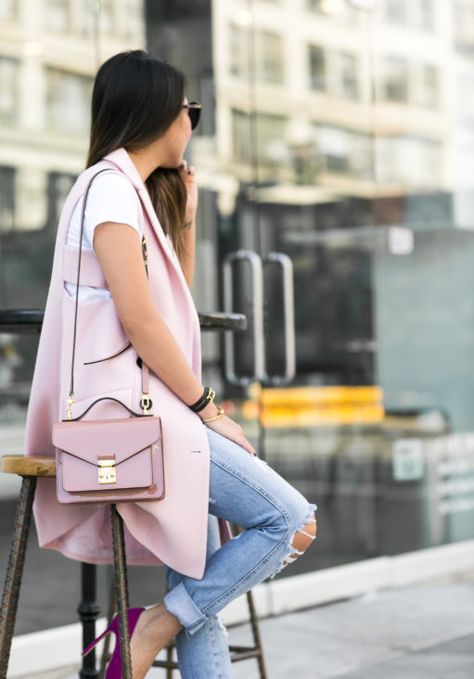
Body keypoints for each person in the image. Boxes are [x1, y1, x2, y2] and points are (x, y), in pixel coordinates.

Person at [50, 49, 318, 678]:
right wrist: (208, 410)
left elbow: (169, 313)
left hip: (146, 409)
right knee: (289, 521)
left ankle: (161, 621)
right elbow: (142, 326)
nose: (192, 124)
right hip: (132, 414)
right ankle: (153, 626)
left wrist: (188, 225)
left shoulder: (125, 193)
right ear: (158, 115)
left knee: (197, 578)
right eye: (188, 111)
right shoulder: (109, 189)